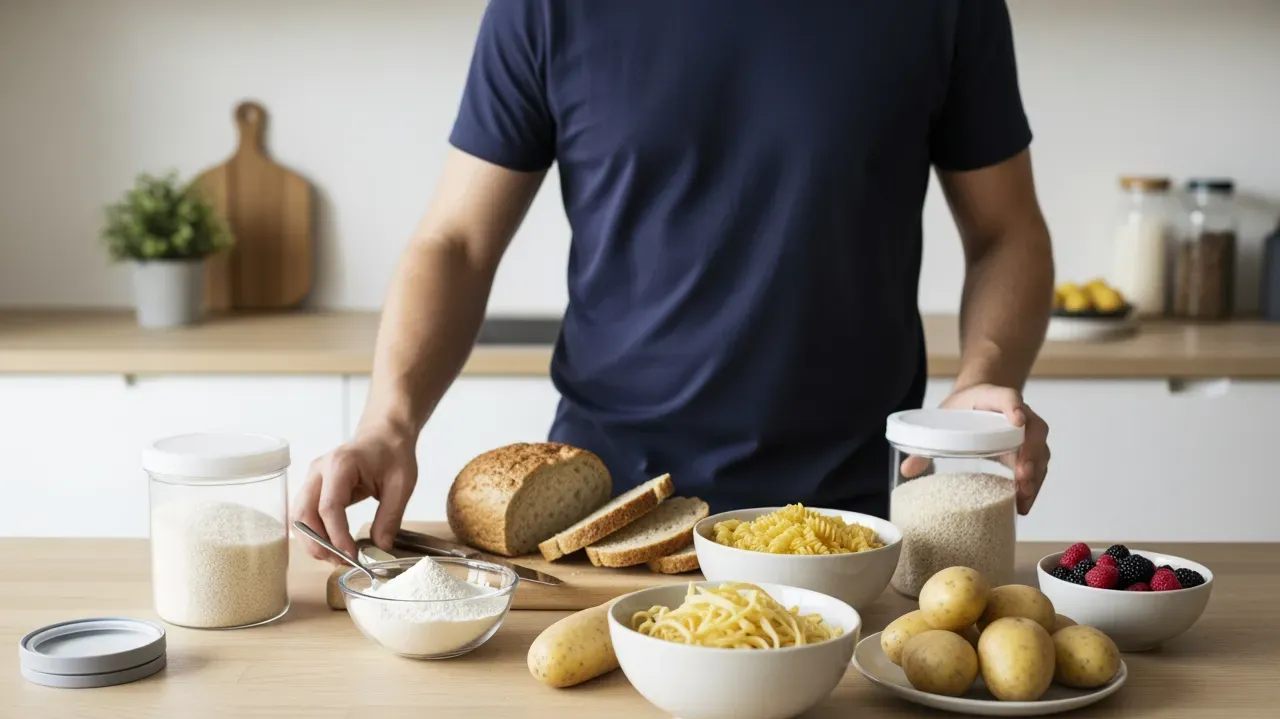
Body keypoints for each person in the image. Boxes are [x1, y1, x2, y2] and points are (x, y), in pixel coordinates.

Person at [296, 0, 1053, 561]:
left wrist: (980, 384)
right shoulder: (546, 8)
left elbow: (1005, 231)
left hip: (854, 526)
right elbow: (455, 243)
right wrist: (389, 422)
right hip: (604, 527)